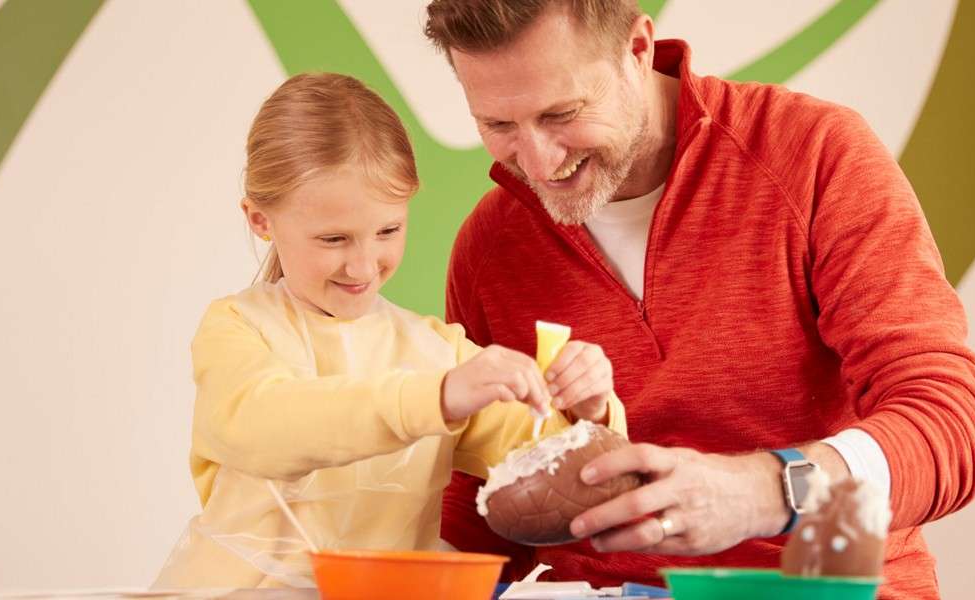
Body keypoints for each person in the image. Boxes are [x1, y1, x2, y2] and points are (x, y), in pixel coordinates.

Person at [423, 2, 975, 598]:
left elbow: (947, 423)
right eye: (499, 126)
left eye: (562, 113)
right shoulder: (489, 247)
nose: (539, 162)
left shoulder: (814, 154)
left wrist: (766, 490)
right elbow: (480, 504)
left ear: (638, 50)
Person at [153, 72, 626, 588]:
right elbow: (269, 427)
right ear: (260, 220)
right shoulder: (239, 329)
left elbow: (553, 467)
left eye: (387, 231)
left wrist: (589, 412)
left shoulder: (434, 352)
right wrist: (436, 398)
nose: (362, 265)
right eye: (333, 239)